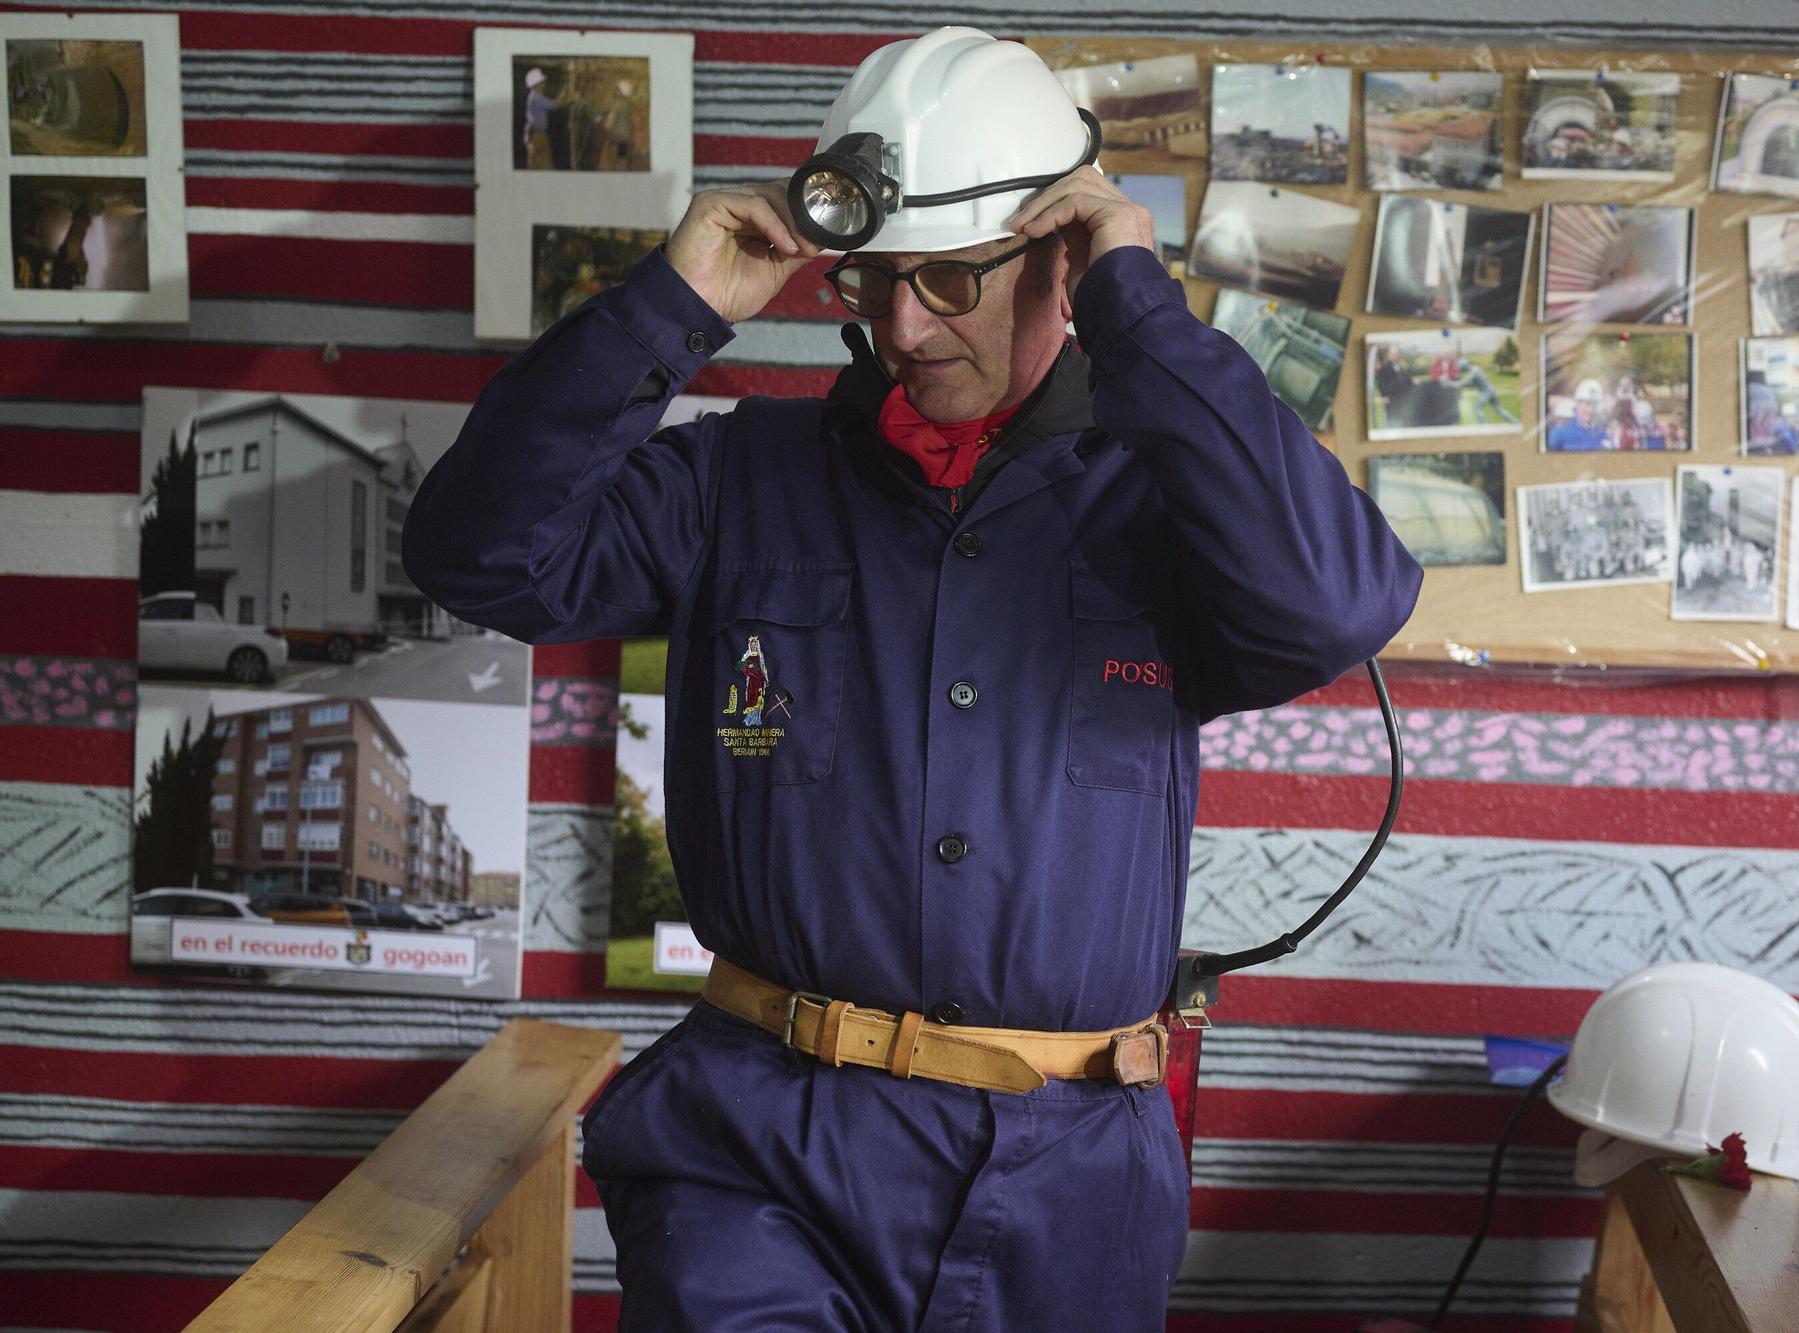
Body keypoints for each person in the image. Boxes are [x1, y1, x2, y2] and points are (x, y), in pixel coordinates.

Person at [401, 27, 1420, 1332]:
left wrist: (1139, 310)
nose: (899, 325)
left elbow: (1340, 604)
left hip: (1073, 1185)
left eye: (946, 278)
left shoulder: (1171, 510)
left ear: (1059, 262)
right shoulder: (733, 477)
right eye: (874, 280)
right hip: (762, 1158)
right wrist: (671, 303)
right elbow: (481, 559)